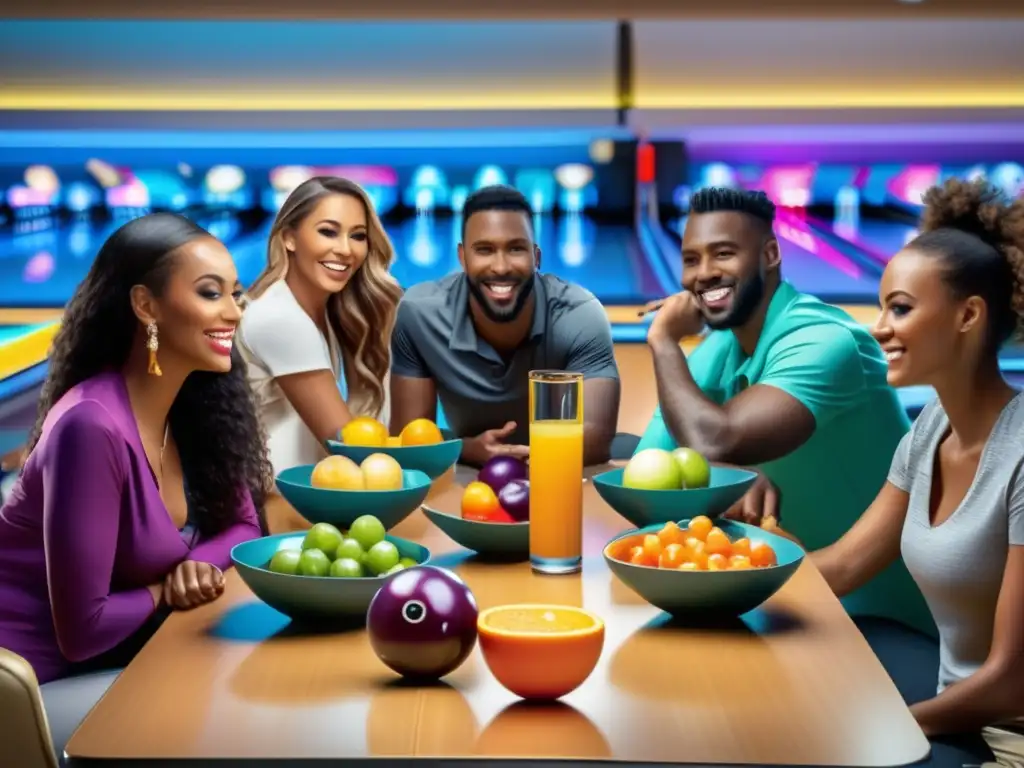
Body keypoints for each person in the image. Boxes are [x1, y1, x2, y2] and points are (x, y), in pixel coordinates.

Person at [0, 213, 268, 753]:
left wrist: (196, 565)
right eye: (211, 293)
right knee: (233, 720)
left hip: (116, 654)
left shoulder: (194, 406)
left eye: (236, 294)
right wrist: (164, 589)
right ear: (145, 306)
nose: (234, 312)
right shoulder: (91, 426)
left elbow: (243, 526)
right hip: (29, 691)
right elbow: (83, 629)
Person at [635, 186, 932, 635]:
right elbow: (646, 476)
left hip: (881, 622)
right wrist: (723, 471)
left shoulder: (826, 341)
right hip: (784, 605)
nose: (704, 273)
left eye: (723, 254)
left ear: (771, 254)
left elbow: (715, 438)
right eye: (691, 259)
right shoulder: (719, 350)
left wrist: (662, 341)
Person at [805, 179, 1024, 765]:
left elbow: (1010, 682)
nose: (879, 327)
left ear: (968, 315)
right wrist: (720, 571)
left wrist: (887, 724)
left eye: (899, 308)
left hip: (1008, 740)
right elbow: (846, 565)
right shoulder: (931, 428)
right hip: (953, 716)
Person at [388, 184, 621, 467]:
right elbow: (408, 442)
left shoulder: (578, 315)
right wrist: (467, 450)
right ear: (462, 258)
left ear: (536, 257)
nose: (500, 267)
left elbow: (596, 439)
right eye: (484, 250)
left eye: (516, 248)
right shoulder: (420, 314)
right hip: (470, 480)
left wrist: (511, 460)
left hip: (558, 478)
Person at [238, 176, 402, 481]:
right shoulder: (280, 317)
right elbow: (347, 448)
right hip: (273, 508)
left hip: (304, 493)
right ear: (289, 237)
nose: (345, 250)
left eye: (358, 236)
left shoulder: (323, 312)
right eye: (328, 232)